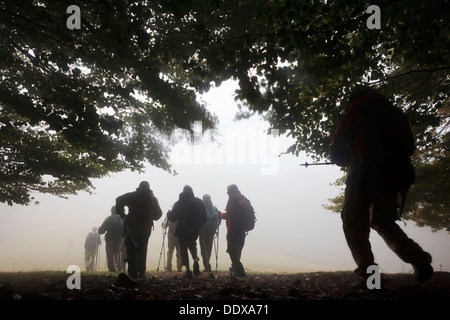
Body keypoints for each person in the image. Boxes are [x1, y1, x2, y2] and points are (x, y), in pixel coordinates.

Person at [330, 85, 434, 283]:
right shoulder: (396, 115)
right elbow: (409, 147)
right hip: (393, 177)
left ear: (352, 100)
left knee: (353, 224)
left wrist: (352, 157)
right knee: (383, 222)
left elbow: (336, 155)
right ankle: (417, 257)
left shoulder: (354, 115)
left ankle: (371, 278)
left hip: (362, 176)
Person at [115, 181, 163, 279]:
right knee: (143, 250)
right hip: (145, 229)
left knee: (131, 250)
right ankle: (142, 272)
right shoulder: (153, 198)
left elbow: (118, 199)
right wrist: (150, 217)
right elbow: (159, 213)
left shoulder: (132, 196)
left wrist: (122, 214)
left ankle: (132, 272)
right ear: (149, 188)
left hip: (131, 228)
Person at [168, 185, 207, 278]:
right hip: (194, 230)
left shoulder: (179, 203)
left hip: (182, 230)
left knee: (183, 250)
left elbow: (173, 218)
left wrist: (169, 214)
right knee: (193, 246)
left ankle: (188, 270)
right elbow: (204, 218)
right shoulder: (199, 202)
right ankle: (196, 261)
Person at [219, 184, 253, 277]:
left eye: (228, 191)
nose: (227, 193)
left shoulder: (232, 200)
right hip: (242, 229)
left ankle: (238, 269)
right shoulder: (244, 199)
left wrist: (220, 215)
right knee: (238, 249)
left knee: (231, 249)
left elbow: (228, 215)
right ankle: (235, 267)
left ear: (230, 191)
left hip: (233, 228)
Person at [98, 206, 124, 272]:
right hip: (120, 239)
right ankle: (119, 267)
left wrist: (99, 229)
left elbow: (101, 231)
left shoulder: (108, 219)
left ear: (111, 211)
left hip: (109, 239)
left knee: (110, 254)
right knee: (117, 253)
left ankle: (112, 268)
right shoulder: (122, 218)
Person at [199, 194, 220, 272]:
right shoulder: (215, 209)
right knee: (208, 247)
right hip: (211, 230)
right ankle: (207, 264)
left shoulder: (201, 208)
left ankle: (207, 265)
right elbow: (218, 220)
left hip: (203, 230)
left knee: (204, 249)